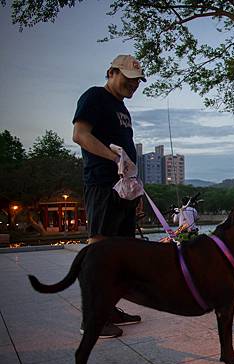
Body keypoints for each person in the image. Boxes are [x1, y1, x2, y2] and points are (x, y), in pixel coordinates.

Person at [72, 54, 146, 339]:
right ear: (111, 72)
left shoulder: (122, 109)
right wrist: (113, 156)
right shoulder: (94, 97)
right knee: (99, 252)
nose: (133, 85)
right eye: (127, 78)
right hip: (103, 184)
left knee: (120, 253)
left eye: (137, 80)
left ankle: (109, 308)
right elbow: (80, 135)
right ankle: (93, 318)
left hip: (125, 187)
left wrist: (135, 187)